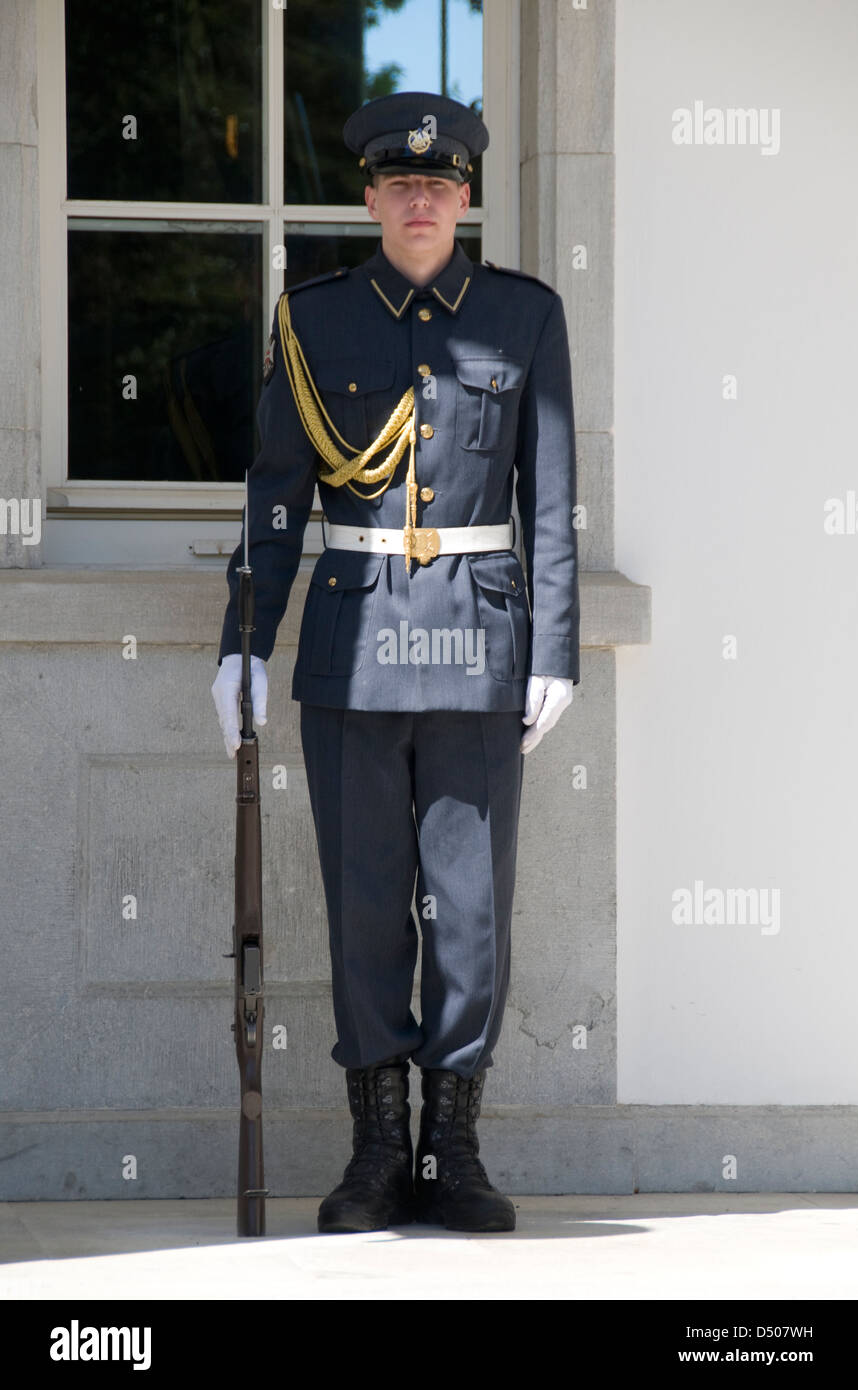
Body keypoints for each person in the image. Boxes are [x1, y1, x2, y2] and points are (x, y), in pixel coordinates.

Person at [212, 91, 579, 1234]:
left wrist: (553, 647)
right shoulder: (313, 320)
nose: (419, 200)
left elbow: (552, 502)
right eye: (398, 184)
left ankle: (450, 1149)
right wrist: (242, 639)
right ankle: (374, 1150)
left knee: (467, 911)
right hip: (355, 646)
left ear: (464, 199)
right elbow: (276, 495)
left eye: (440, 184)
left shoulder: (523, 318)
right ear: (369, 197)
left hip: (478, 646)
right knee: (366, 902)